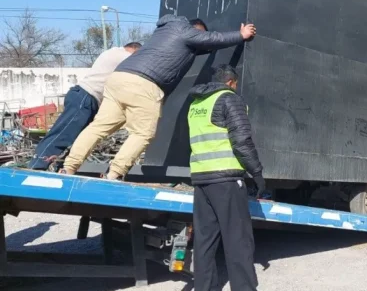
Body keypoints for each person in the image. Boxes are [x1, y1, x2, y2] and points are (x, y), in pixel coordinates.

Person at [60, 15, 256, 179]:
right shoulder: (186, 30)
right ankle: (115, 174)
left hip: (119, 78)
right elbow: (212, 39)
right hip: (144, 83)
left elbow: (201, 48)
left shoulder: (165, 31)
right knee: (143, 133)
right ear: (196, 30)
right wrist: (240, 35)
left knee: (99, 127)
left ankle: (68, 167)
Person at [188, 64, 280, 291]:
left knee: (204, 242)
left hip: (201, 178)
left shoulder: (196, 104)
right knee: (238, 239)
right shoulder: (229, 99)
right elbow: (241, 140)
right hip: (226, 179)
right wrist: (257, 172)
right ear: (231, 82)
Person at [28, 42, 142, 170]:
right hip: (86, 96)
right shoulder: (123, 56)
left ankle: (58, 166)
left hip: (84, 97)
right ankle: (38, 166)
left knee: (78, 138)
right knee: (64, 133)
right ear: (134, 50)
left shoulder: (113, 51)